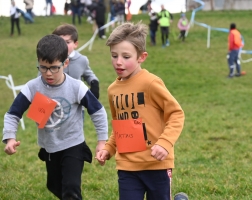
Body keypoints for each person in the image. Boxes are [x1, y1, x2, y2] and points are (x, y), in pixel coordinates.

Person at [2, 34, 108, 199]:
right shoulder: (32, 87)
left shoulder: (76, 87)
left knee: (71, 189)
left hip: (73, 144)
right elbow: (13, 113)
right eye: (43, 67)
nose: (48, 73)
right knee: (54, 186)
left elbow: (98, 111)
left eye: (54, 68)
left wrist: (102, 142)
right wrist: (9, 138)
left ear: (65, 63)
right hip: (50, 147)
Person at [96, 22, 185, 200]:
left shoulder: (150, 83)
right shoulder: (113, 90)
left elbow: (176, 114)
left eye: (126, 56)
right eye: (114, 56)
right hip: (127, 167)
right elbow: (119, 127)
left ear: (141, 57)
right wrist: (108, 149)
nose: (118, 61)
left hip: (156, 164)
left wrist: (165, 143)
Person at [51, 24, 100, 99]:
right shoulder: (50, 60)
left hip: (77, 104)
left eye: (67, 42)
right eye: (60, 42)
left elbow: (88, 74)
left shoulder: (82, 60)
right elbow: (41, 79)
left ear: (75, 44)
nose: (64, 45)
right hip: (55, 101)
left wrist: (94, 84)